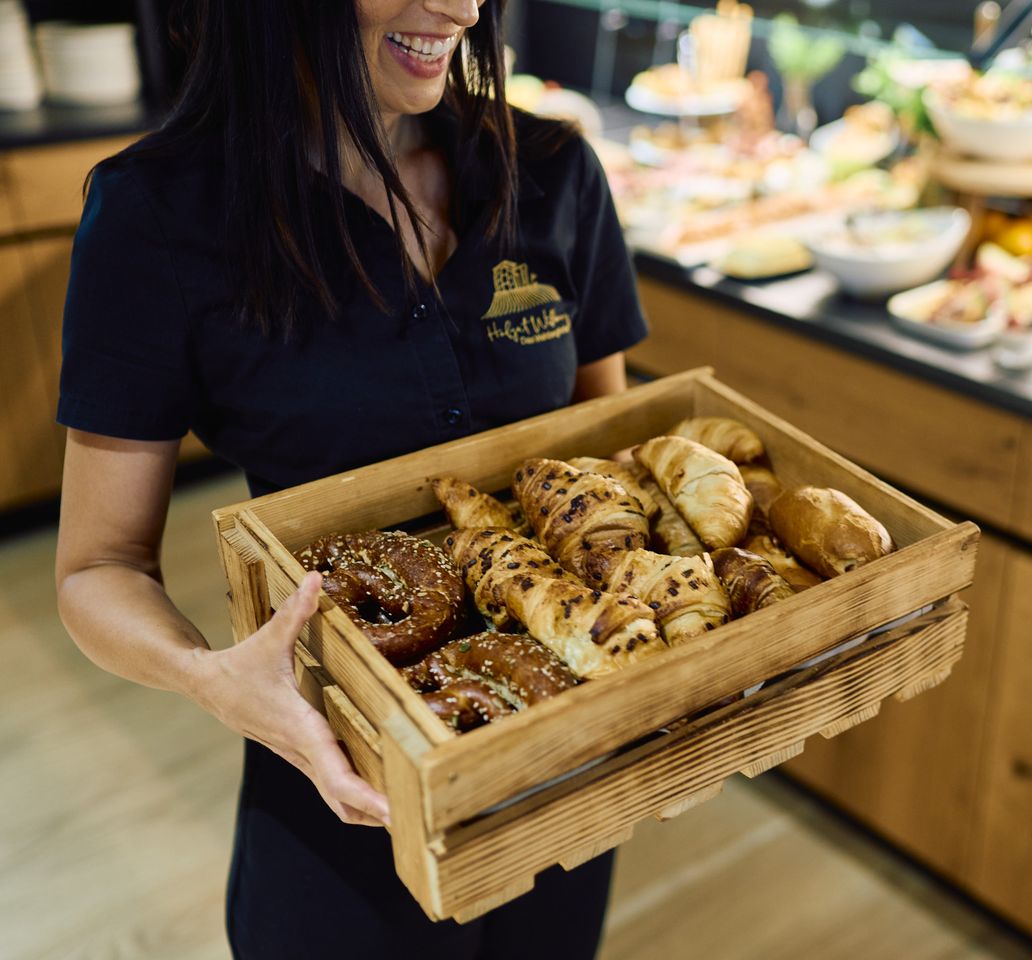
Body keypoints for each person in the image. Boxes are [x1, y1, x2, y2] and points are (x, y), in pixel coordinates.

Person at [52, 1, 646, 956]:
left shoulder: (551, 171)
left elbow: (604, 468)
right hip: (339, 771)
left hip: (563, 760)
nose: (462, 6)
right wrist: (211, 678)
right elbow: (97, 569)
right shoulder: (159, 215)